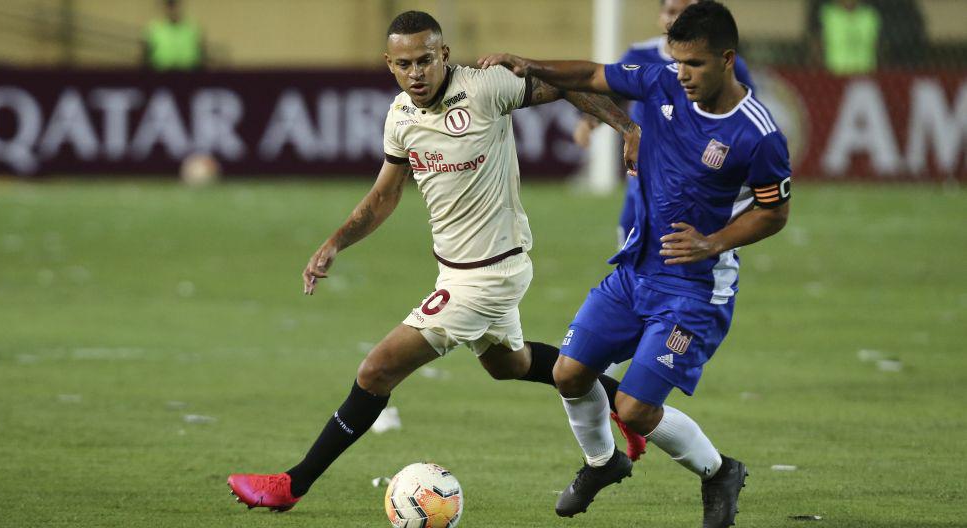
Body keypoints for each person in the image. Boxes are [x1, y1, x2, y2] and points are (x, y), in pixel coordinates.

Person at [227, 10, 644, 512]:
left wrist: (627, 127)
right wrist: (335, 242)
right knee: (509, 365)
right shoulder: (401, 116)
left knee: (376, 371)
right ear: (389, 64)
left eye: (425, 60)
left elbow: (566, 83)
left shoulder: (486, 87)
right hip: (457, 269)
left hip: (488, 275)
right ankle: (625, 405)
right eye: (404, 64)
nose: (416, 73)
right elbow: (385, 195)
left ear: (444, 54)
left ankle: (291, 485)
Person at [478, 1, 791, 526]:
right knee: (569, 373)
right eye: (678, 61)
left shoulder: (757, 134)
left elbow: (774, 212)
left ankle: (720, 473)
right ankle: (602, 462)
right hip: (635, 271)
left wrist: (712, 243)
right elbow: (591, 76)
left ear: (727, 60)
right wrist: (530, 64)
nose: (682, 74)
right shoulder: (663, 82)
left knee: (636, 409)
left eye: (695, 64)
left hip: (694, 291)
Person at [575, 0, 755, 248]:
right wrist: (590, 120)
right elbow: (613, 90)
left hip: (697, 175)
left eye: (685, 12)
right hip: (647, 167)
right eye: (671, 12)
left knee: (690, 244)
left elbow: (744, 113)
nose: (677, 18)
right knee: (633, 234)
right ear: (660, 16)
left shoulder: (723, 62)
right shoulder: (639, 55)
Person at [142, 0, 206, 71]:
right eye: (170, 7)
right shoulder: (154, 28)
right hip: (160, 73)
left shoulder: (193, 28)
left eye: (175, 6)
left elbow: (202, 52)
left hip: (189, 73)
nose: (173, 10)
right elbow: (145, 54)